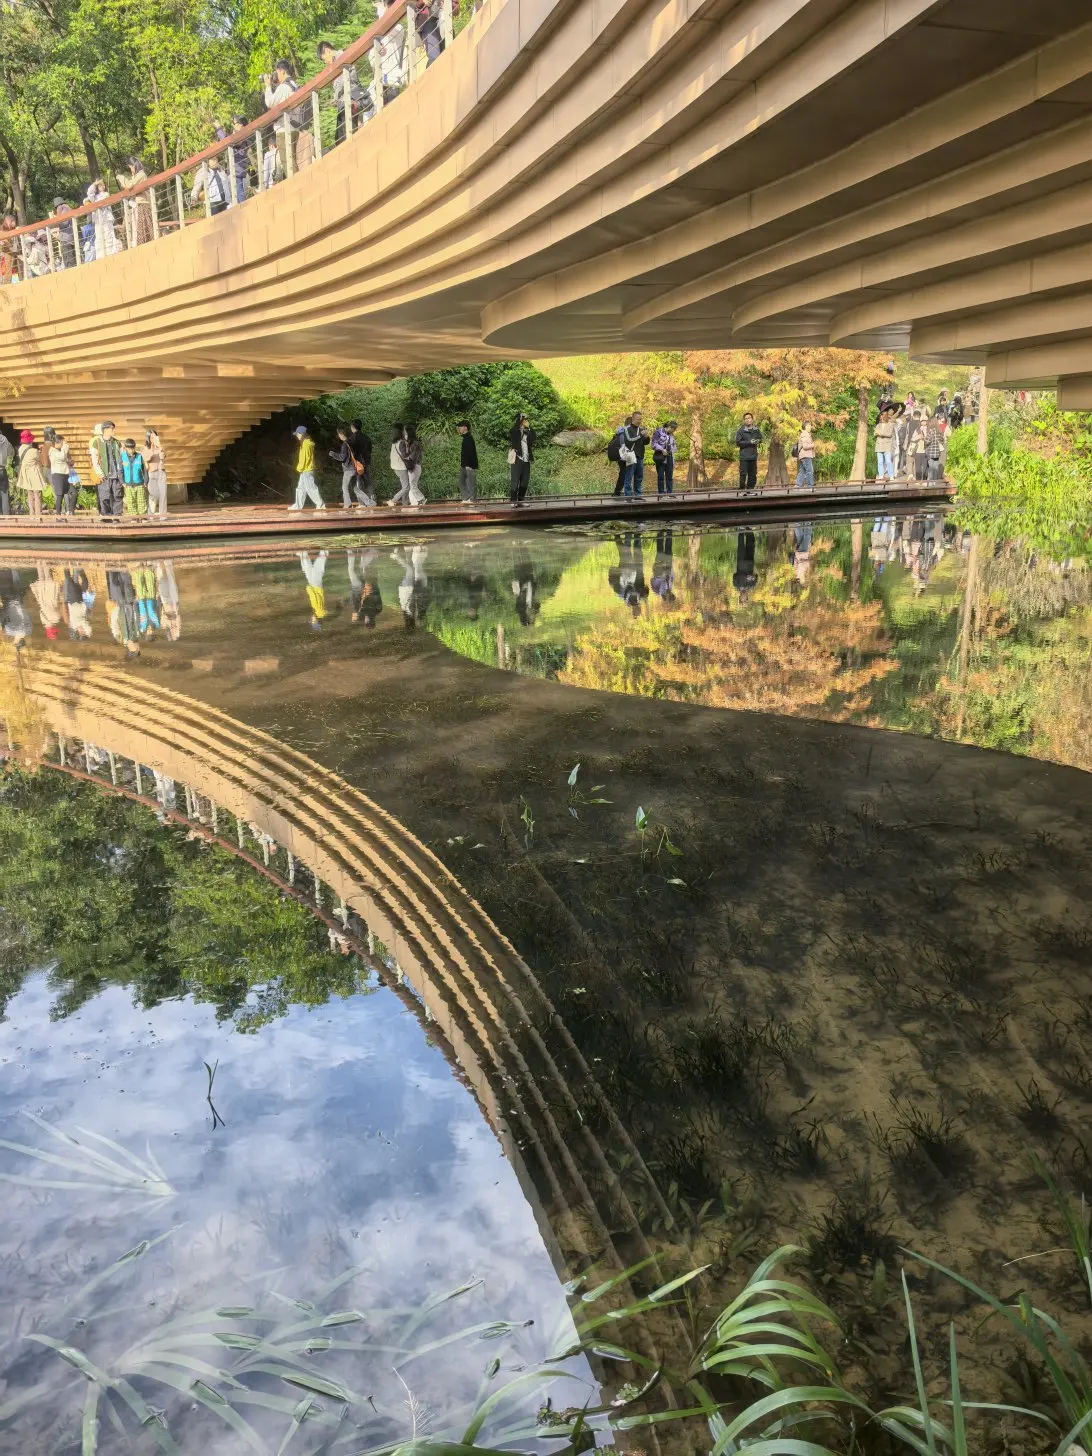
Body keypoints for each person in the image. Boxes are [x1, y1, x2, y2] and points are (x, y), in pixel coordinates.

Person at [264, 60, 313, 175]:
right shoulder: (293, 85)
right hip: (294, 127)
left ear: (282, 71)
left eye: (277, 72)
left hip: (284, 130)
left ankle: (296, 183)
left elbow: (270, 102)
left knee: (288, 163)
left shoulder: (284, 87)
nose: (276, 76)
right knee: (293, 161)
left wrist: (268, 86)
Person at [317, 41, 371, 143]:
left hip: (350, 100)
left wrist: (336, 97)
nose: (325, 62)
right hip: (346, 101)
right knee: (341, 137)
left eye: (324, 59)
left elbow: (343, 81)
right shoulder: (336, 61)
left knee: (345, 136)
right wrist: (335, 99)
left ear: (328, 51)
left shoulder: (341, 57)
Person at [330, 422, 370, 509]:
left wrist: (333, 454)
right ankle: (369, 502)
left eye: (339, 434)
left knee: (344, 487)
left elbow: (342, 457)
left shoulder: (345, 444)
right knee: (355, 488)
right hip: (354, 468)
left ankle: (348, 504)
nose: (339, 436)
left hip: (349, 469)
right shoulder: (351, 442)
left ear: (341, 434)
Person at [214, 118, 252, 203]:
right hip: (239, 168)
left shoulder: (241, 136)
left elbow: (226, 140)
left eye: (235, 123)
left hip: (237, 169)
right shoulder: (243, 136)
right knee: (238, 193)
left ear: (241, 125)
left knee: (239, 193)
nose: (233, 125)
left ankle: (244, 207)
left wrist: (219, 128)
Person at [288, 424, 324, 509]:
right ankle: (298, 506)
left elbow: (304, 458)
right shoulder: (306, 443)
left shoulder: (305, 445)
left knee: (311, 488)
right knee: (300, 488)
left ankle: (321, 505)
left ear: (302, 434)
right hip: (306, 470)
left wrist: (299, 468)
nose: (296, 436)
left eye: (297, 434)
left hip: (306, 470)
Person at [119, 159, 154, 244]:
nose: (131, 170)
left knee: (144, 230)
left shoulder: (141, 174)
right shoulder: (138, 175)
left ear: (134, 166)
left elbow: (129, 185)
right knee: (139, 229)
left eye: (131, 167)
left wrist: (121, 178)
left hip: (142, 204)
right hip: (138, 205)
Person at [390, 424, 425, 506]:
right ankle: (414, 501)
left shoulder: (397, 442)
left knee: (409, 486)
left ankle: (412, 502)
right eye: (403, 431)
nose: (404, 433)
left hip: (408, 467)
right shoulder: (404, 442)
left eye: (405, 432)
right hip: (403, 467)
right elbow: (405, 456)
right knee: (408, 487)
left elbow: (411, 457)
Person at [94, 422, 124, 516]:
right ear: (105, 430)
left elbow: (122, 458)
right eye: (112, 429)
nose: (113, 431)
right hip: (104, 475)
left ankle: (117, 516)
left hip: (116, 475)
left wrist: (121, 473)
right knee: (104, 497)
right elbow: (94, 459)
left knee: (117, 496)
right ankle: (106, 517)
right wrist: (100, 473)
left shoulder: (117, 442)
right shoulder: (97, 442)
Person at [15, 431, 48, 517]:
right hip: (34, 473)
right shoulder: (34, 451)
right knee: (37, 494)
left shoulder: (20, 449)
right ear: (30, 440)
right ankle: (38, 514)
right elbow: (41, 460)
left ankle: (32, 513)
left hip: (26, 474)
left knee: (30, 494)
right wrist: (40, 452)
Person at [85, 179, 122, 256]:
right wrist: (95, 183)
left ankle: (110, 252)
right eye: (100, 185)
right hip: (98, 220)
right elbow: (89, 192)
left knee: (108, 235)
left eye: (103, 185)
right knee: (99, 237)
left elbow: (101, 202)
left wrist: (91, 201)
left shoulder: (106, 194)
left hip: (106, 218)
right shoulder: (94, 197)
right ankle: (100, 255)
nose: (102, 186)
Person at [347, 548, 383, 625]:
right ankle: (354, 551)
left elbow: (376, 596)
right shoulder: (369, 611)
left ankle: (368, 551)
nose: (365, 619)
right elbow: (355, 613)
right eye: (366, 620)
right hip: (363, 588)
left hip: (365, 587)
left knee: (362, 568)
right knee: (357, 569)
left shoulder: (378, 610)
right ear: (367, 620)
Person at [619, 412, 650, 498]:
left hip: (640, 455)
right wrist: (641, 435)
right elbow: (629, 440)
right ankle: (628, 496)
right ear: (633, 419)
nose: (640, 421)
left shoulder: (641, 429)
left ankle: (638, 495)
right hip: (630, 454)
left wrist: (646, 436)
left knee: (639, 476)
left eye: (641, 419)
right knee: (629, 476)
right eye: (638, 419)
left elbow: (645, 442)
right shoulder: (626, 429)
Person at [508, 412, 534, 505]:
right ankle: (513, 501)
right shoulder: (515, 431)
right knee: (515, 481)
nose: (526, 421)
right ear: (520, 420)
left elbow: (533, 438)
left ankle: (521, 500)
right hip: (517, 459)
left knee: (524, 482)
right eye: (524, 419)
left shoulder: (528, 431)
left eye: (526, 419)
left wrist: (529, 428)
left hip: (526, 460)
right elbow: (513, 433)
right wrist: (519, 420)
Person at [299, 550, 329, 629]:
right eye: (312, 621)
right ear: (316, 620)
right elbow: (314, 598)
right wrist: (309, 589)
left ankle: (303, 555)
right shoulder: (318, 611)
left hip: (316, 587)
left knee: (308, 571)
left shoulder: (319, 612)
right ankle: (324, 552)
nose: (311, 619)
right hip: (315, 587)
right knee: (318, 569)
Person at [48, 430, 76, 515]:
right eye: (62, 442)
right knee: (60, 495)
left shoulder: (61, 450)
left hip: (66, 474)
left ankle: (71, 511)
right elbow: (61, 457)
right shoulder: (52, 451)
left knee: (74, 492)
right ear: (57, 442)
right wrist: (65, 447)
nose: (63, 444)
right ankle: (58, 515)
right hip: (57, 475)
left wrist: (70, 462)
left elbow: (65, 459)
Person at [121, 438, 149, 515]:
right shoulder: (122, 456)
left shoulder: (139, 456)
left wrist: (146, 481)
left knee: (141, 501)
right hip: (128, 484)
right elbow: (120, 470)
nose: (131, 450)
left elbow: (144, 470)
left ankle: (143, 517)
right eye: (129, 448)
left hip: (139, 483)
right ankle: (133, 517)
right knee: (131, 502)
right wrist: (122, 481)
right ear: (126, 448)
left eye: (133, 448)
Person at [155, 560, 182, 640]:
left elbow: (163, 614)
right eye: (174, 633)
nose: (173, 631)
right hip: (174, 602)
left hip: (166, 602)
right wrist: (176, 625)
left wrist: (170, 622)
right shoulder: (176, 625)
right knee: (171, 581)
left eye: (172, 634)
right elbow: (178, 616)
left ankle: (159, 564)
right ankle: (167, 563)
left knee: (162, 582)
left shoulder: (164, 625)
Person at [735, 413, 761, 492]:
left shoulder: (756, 430)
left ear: (752, 419)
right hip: (744, 456)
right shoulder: (741, 431)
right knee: (743, 474)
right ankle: (742, 490)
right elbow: (738, 443)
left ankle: (750, 491)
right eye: (746, 418)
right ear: (744, 420)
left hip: (753, 456)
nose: (747, 420)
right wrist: (749, 442)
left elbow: (760, 438)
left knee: (752, 475)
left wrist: (758, 441)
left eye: (749, 418)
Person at [145, 429, 168, 515]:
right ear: (148, 438)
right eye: (151, 437)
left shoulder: (160, 447)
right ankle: (150, 515)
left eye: (155, 436)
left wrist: (160, 446)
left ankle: (163, 516)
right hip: (152, 473)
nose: (153, 439)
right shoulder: (145, 448)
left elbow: (163, 456)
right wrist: (151, 449)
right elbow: (147, 458)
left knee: (163, 494)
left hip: (161, 472)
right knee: (153, 495)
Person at [132, 562, 160, 633]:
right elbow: (159, 610)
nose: (150, 630)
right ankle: (148, 568)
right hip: (151, 598)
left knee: (139, 584)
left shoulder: (141, 626)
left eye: (148, 631)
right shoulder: (157, 624)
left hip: (141, 600)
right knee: (150, 582)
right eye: (151, 632)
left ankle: (139, 567)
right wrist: (158, 599)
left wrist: (135, 603)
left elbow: (137, 614)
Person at [650, 420, 677, 496]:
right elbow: (653, 444)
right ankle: (661, 494)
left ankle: (669, 493)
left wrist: (673, 451)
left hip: (670, 456)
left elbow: (673, 445)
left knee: (669, 476)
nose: (674, 431)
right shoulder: (658, 432)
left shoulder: (671, 435)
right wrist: (662, 449)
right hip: (660, 457)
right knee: (661, 476)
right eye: (674, 429)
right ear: (670, 427)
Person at [651, 528, 676, 602]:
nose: (671, 593)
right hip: (668, 565)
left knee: (660, 550)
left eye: (670, 595)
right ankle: (669, 534)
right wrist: (670, 567)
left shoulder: (657, 591)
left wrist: (661, 574)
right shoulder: (670, 587)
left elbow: (653, 580)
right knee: (668, 549)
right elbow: (672, 576)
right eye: (672, 594)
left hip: (659, 568)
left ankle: (660, 534)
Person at [608, 415, 630, 496]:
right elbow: (624, 445)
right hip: (625, 455)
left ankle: (617, 492)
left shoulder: (620, 432)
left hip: (621, 456)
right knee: (625, 474)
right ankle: (618, 492)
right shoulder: (624, 433)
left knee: (623, 474)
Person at [456, 419, 478, 502]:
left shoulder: (469, 438)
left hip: (469, 465)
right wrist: (464, 464)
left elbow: (470, 452)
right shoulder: (465, 438)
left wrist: (469, 465)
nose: (459, 428)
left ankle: (472, 500)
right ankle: (466, 497)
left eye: (460, 427)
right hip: (464, 465)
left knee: (471, 483)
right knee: (461, 482)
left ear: (465, 427)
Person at [733, 530, 758, 603]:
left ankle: (741, 530)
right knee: (750, 545)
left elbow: (735, 576)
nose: (744, 596)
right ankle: (749, 531)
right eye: (745, 598)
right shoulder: (751, 586)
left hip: (741, 563)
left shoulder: (736, 585)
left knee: (741, 546)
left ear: (739, 596)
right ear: (747, 596)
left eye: (742, 598)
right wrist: (753, 577)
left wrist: (745, 577)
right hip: (750, 563)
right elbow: (756, 577)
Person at [874, 406, 896, 481]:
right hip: (879, 445)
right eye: (881, 416)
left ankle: (891, 475)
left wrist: (880, 433)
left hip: (887, 445)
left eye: (883, 416)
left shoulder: (890, 425)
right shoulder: (878, 425)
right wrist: (879, 433)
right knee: (880, 461)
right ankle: (881, 475)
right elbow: (875, 433)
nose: (882, 418)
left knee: (888, 461)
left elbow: (889, 434)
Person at [924, 411, 946, 481]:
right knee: (936, 468)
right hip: (937, 453)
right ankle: (935, 482)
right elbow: (942, 440)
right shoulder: (939, 431)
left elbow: (927, 441)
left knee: (931, 468)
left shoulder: (931, 431)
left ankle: (930, 483)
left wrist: (924, 438)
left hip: (930, 452)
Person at [794, 420, 815, 489]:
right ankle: (810, 486)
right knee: (810, 471)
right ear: (805, 427)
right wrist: (813, 445)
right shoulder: (804, 435)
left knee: (802, 471)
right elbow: (805, 446)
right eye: (809, 426)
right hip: (806, 455)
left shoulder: (806, 434)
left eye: (810, 426)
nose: (810, 427)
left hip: (804, 455)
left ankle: (798, 485)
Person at [0, 432, 12, 515]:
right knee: (5, 493)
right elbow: (11, 452)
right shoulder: (5, 439)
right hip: (2, 469)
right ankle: (6, 514)